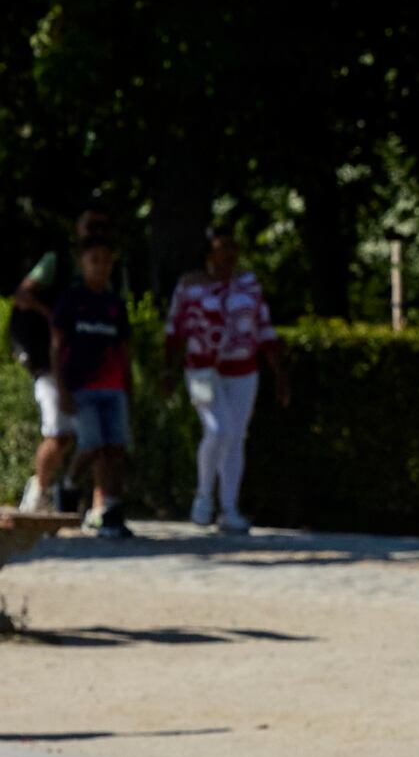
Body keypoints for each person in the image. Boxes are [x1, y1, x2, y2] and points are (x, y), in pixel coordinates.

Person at [163, 220, 287, 532]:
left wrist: (280, 372)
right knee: (217, 429)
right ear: (208, 253)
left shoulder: (248, 285)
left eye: (232, 247)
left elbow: (264, 328)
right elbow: (174, 330)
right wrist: (169, 370)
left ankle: (229, 507)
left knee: (235, 436)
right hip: (201, 370)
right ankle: (203, 497)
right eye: (221, 249)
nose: (228, 255)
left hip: (243, 371)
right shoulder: (190, 286)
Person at [38, 221, 137, 538]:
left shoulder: (114, 305)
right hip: (82, 387)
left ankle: (111, 509)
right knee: (92, 445)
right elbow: (56, 347)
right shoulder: (71, 301)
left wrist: (128, 386)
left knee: (115, 448)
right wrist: (62, 387)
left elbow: (124, 350)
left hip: (113, 387)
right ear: (83, 263)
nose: (101, 267)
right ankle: (68, 484)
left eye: (106, 261)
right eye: (94, 260)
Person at [13, 210, 106, 516]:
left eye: (101, 227)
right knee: (58, 431)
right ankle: (38, 490)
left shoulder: (105, 270)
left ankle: (87, 498)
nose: (95, 232)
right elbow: (23, 294)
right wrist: (53, 317)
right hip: (49, 360)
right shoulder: (59, 263)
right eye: (90, 226)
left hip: (83, 362)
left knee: (96, 435)